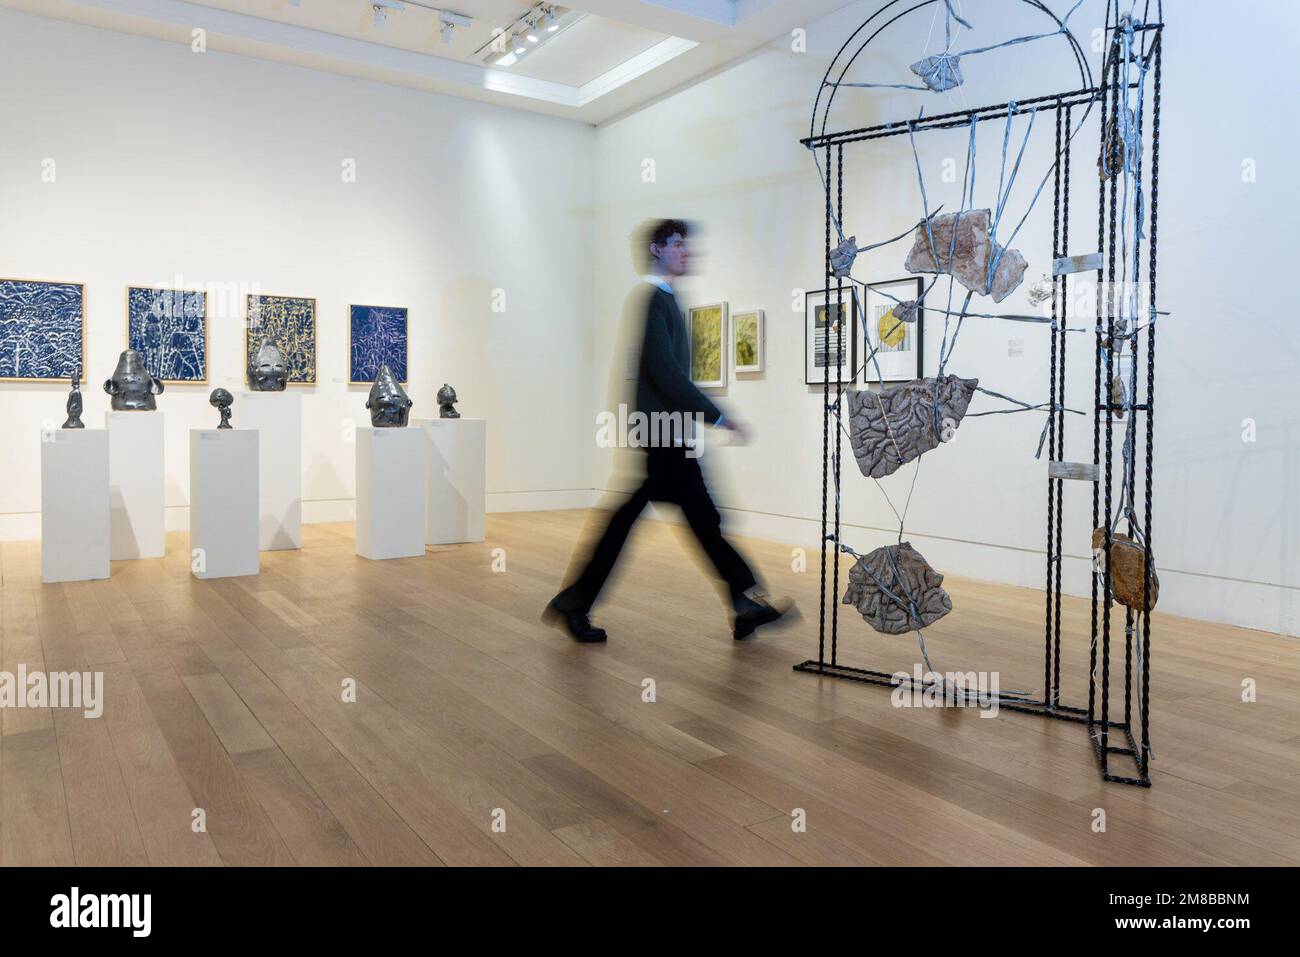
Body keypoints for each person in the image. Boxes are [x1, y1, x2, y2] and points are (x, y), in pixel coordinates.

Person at [545, 219, 793, 643]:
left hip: (669, 434)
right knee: (693, 519)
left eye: (687, 244)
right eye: (678, 244)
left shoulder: (666, 300)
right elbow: (667, 375)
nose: (687, 251)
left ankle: (577, 601)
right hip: (662, 435)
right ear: (658, 249)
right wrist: (717, 416)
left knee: (683, 519)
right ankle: (743, 600)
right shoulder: (651, 300)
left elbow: (665, 376)